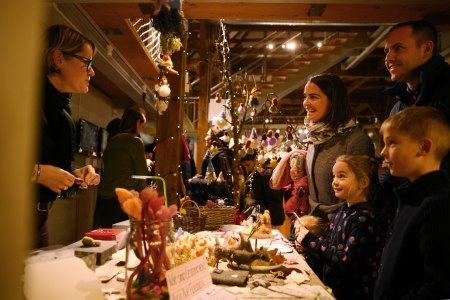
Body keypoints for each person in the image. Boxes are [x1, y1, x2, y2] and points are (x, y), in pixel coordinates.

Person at [32, 25, 101, 248]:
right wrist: (38, 173)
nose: (92, 72)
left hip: (39, 219)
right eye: (87, 63)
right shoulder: (22, 98)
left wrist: (76, 175)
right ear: (59, 58)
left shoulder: (62, 113)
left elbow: (53, 167)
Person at [374, 106, 450, 300]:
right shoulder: (411, 197)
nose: (383, 152)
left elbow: (440, 286)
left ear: (423, 147)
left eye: (391, 143)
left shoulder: (436, 204)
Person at [380, 20, 450, 223]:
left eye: (398, 48)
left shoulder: (446, 93)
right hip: (412, 214)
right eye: (386, 51)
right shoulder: (400, 105)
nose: (389, 58)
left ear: (427, 49)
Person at [295, 155, 385, 300]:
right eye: (334, 176)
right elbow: (330, 248)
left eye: (341, 176)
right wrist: (308, 248)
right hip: (333, 290)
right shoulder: (342, 211)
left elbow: (345, 262)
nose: (334, 182)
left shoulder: (365, 219)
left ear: (363, 182)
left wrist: (311, 242)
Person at [303, 73, 375, 220]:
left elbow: (361, 197)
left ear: (333, 101)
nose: (306, 103)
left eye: (314, 97)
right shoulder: (315, 139)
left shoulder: (356, 140)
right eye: (305, 96)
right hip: (313, 223)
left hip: (342, 229)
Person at [94, 105, 150, 228]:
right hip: (124, 199)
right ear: (137, 123)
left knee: (104, 237)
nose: (141, 129)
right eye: (142, 125)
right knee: (122, 241)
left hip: (104, 198)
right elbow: (142, 174)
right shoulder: (135, 141)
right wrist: (148, 164)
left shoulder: (112, 140)